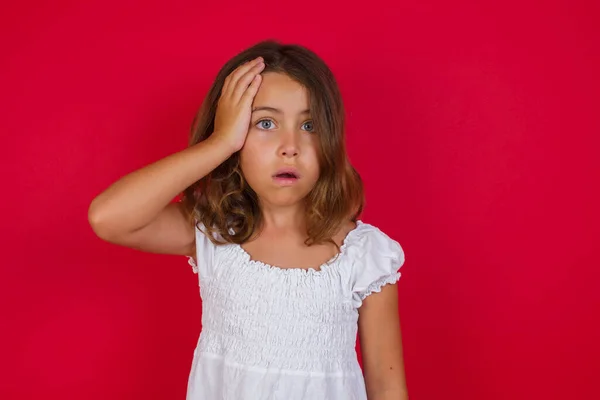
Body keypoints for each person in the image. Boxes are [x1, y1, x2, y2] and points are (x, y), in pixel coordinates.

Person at [88, 40, 408, 400]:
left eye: (309, 125)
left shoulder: (364, 256)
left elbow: (387, 387)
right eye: (265, 122)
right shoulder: (213, 234)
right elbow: (108, 217)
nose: (290, 145)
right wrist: (219, 143)